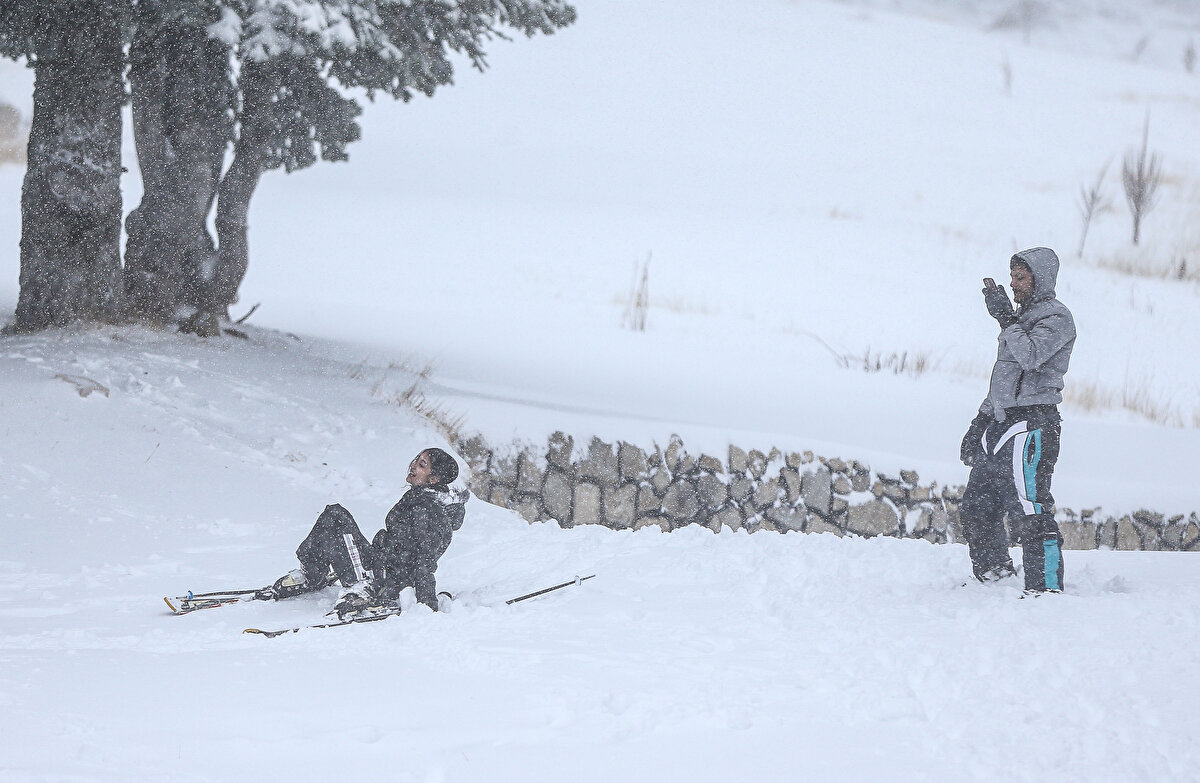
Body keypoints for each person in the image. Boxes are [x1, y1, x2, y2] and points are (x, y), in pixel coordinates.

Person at [959, 247, 1075, 594]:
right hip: (998, 422)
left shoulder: (1056, 318)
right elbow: (1005, 377)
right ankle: (994, 578)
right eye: (1012, 277)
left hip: (1033, 424)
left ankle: (1046, 587)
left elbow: (1031, 357)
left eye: (1021, 278)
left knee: (1030, 509)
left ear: (1040, 279)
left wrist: (1006, 320)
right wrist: (979, 420)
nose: (1013, 285)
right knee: (976, 507)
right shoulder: (1019, 319)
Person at [260, 448, 468, 616]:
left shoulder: (429, 510)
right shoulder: (418, 498)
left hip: (389, 578)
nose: (413, 465)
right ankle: (313, 574)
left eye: (422, 465)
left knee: (338, 521)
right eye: (416, 459)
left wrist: (425, 604)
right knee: (334, 514)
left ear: (433, 479)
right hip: (380, 562)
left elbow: (425, 559)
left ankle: (363, 587)